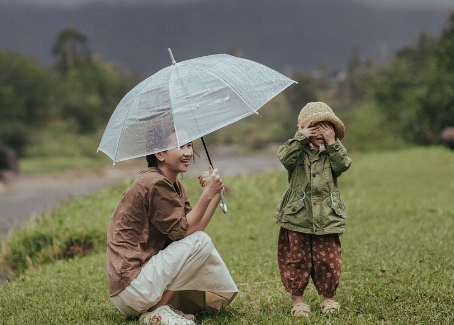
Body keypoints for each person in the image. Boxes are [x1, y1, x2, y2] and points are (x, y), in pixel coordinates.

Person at [105, 133, 238, 325]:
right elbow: (186, 232)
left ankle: (159, 307)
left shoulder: (172, 183)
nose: (188, 153)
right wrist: (207, 194)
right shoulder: (154, 183)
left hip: (134, 289)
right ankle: (155, 310)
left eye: (189, 145)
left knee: (199, 240)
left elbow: (194, 228)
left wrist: (216, 194)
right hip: (132, 286)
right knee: (201, 241)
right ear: (159, 154)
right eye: (180, 147)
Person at [273, 102, 352, 316]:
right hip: (298, 216)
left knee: (327, 259)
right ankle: (297, 300)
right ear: (303, 129)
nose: (320, 132)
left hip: (327, 215)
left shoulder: (333, 153)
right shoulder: (296, 151)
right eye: (314, 127)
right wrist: (300, 137)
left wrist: (332, 143)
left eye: (326, 127)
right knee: (296, 258)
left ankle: (329, 298)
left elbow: (343, 164)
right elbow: (284, 157)